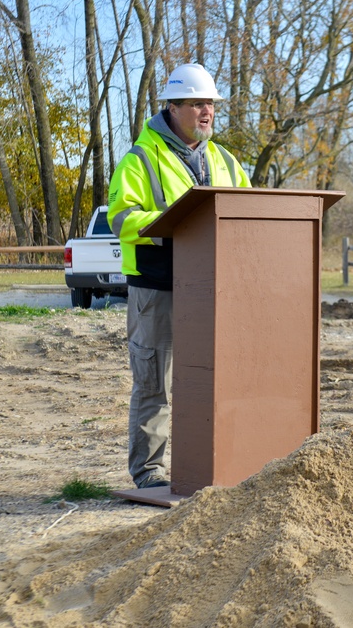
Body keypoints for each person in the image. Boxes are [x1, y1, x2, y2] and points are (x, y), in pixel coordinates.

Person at [107, 63, 251, 489]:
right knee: (156, 384)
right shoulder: (141, 158)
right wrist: (176, 224)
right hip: (159, 289)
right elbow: (121, 218)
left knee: (212, 381)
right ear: (172, 107)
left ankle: (212, 468)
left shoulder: (224, 159)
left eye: (210, 104)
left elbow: (246, 209)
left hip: (214, 290)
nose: (207, 111)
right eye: (197, 103)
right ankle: (149, 473)